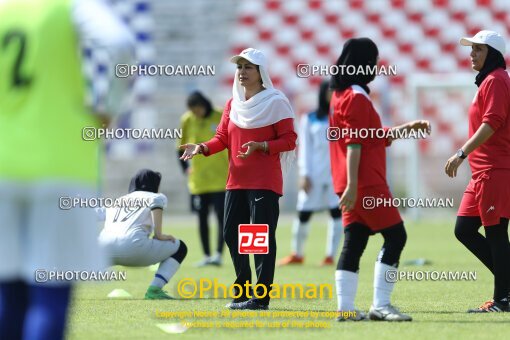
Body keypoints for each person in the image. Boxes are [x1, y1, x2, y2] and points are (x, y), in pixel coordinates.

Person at [0, 0, 134, 339]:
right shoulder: (66, 5)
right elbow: (120, 44)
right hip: (59, 164)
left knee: (7, 291)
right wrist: (109, 107)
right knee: (50, 293)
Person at [180, 48, 297, 310]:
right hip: (236, 180)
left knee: (259, 237)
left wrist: (262, 146)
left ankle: (260, 297)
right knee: (232, 233)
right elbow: (222, 137)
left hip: (264, 181)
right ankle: (244, 289)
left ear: (261, 72)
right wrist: (201, 147)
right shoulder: (233, 103)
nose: (242, 72)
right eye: (239, 67)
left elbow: (290, 140)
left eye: (248, 67)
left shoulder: (276, 101)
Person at [329, 37, 430, 321]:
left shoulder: (340, 95)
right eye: (373, 59)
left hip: (348, 182)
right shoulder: (358, 96)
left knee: (355, 239)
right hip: (365, 182)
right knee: (397, 236)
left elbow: (369, 136)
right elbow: (354, 143)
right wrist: (353, 184)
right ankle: (381, 305)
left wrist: (404, 129)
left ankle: (346, 309)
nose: (376, 65)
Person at [445, 30, 510, 313]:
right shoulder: (489, 81)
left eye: (478, 50)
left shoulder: (496, 80)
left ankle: (503, 300)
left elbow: (492, 122)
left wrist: (461, 153)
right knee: (464, 229)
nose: (472, 54)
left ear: (492, 54)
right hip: (483, 172)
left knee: (496, 234)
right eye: (472, 49)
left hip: (495, 169)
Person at [279, 80, 343, 266]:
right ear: (323, 93)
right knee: (303, 213)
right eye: (331, 91)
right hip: (313, 175)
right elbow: (305, 148)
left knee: (336, 213)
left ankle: (330, 256)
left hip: (336, 175)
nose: (334, 94)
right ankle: (297, 254)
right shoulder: (311, 118)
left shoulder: (343, 117)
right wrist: (304, 174)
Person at [97, 169, 188, 300]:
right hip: (134, 247)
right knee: (180, 247)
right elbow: (156, 203)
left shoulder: (117, 201)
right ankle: (155, 290)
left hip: (104, 249)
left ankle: (60, 287)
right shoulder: (156, 196)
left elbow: (94, 213)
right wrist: (159, 235)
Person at [178, 91, 228, 267]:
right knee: (201, 218)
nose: (196, 113)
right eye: (193, 110)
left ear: (205, 104)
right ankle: (206, 255)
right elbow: (180, 146)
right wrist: (185, 168)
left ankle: (219, 255)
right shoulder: (187, 120)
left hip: (221, 177)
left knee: (222, 218)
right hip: (198, 180)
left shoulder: (220, 115)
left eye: (198, 108)